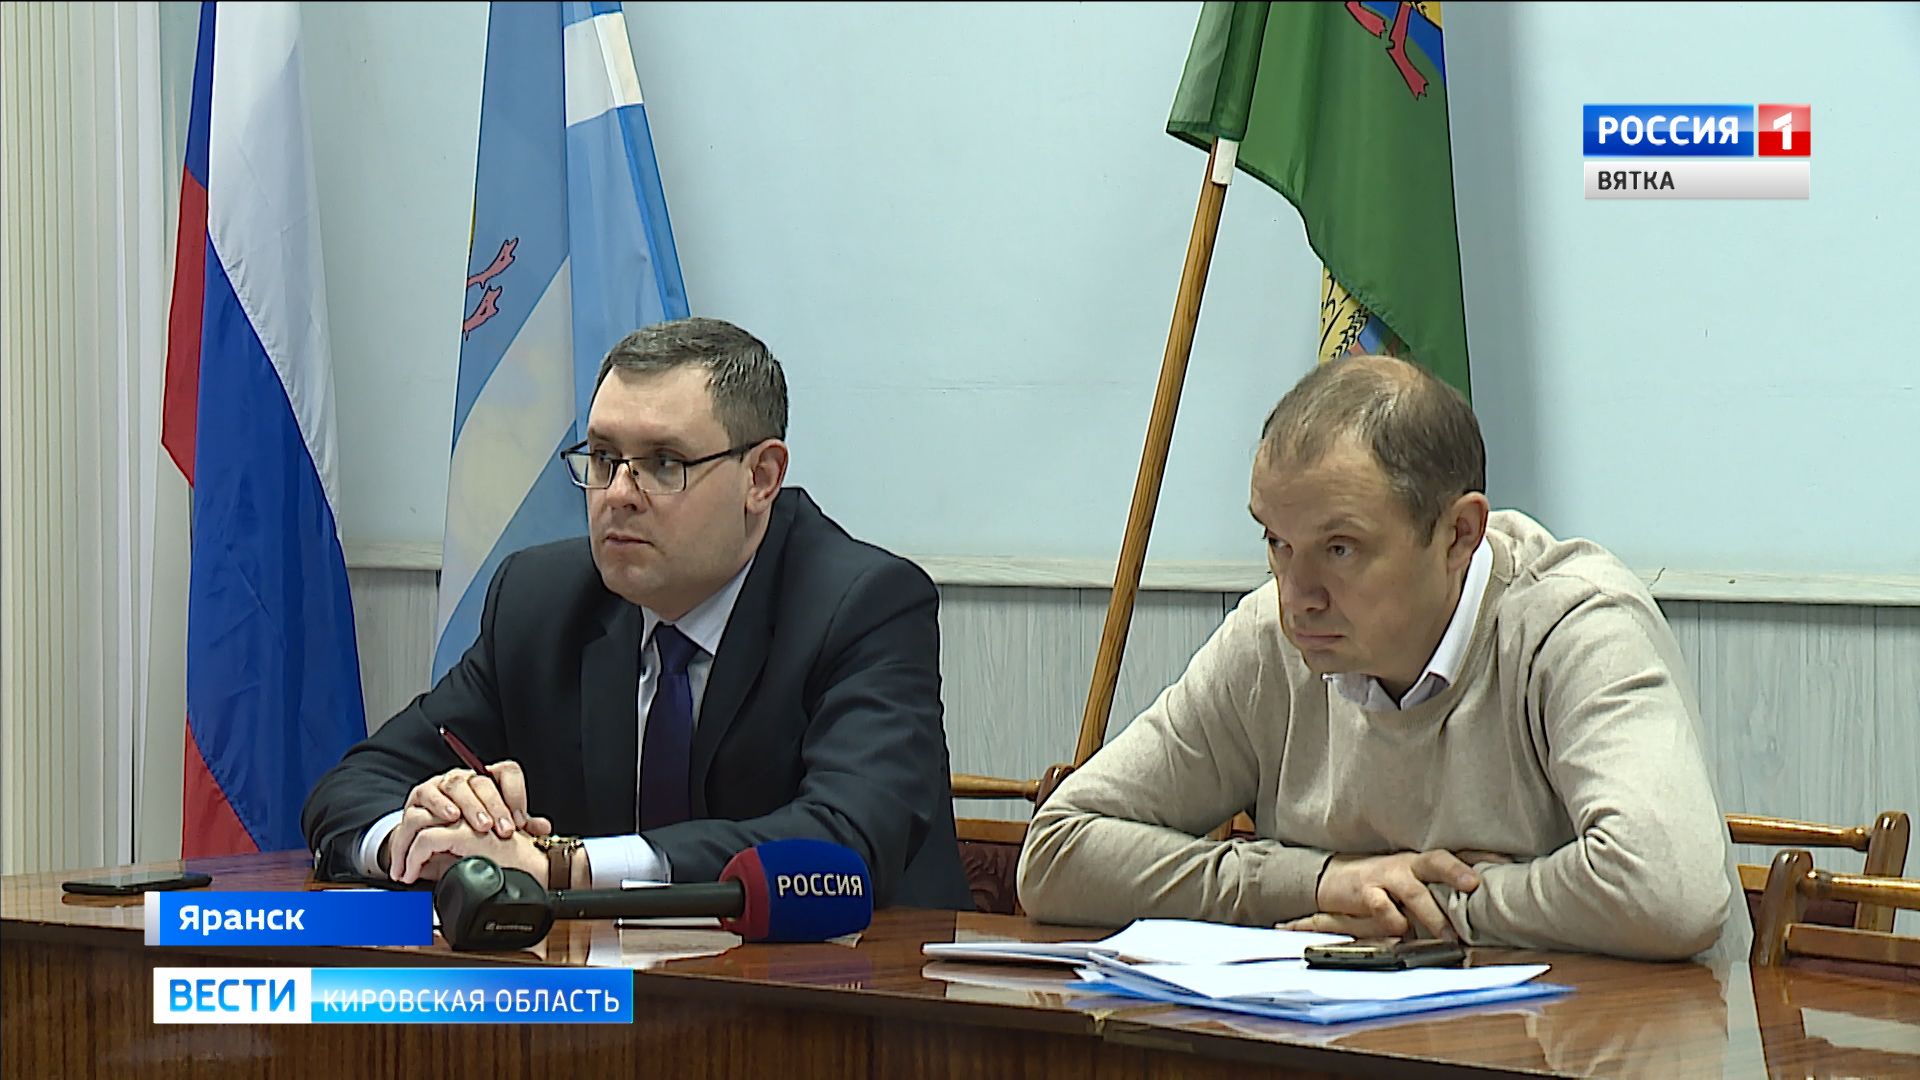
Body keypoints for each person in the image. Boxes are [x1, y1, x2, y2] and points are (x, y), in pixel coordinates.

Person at [1017, 354, 1737, 960]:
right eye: (1277, 543)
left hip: (1609, 1046)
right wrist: (1322, 881)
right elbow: (1056, 854)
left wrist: (1437, 908)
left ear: (1459, 535)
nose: (1297, 597)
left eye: (1340, 549)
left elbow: (1668, 891)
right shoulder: (1272, 642)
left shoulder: (1575, 625)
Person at [303, 317, 972, 909]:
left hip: (854, 993)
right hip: (601, 994)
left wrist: (563, 866)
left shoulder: (862, 606)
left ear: (761, 478)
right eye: (603, 458)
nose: (618, 494)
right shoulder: (542, 601)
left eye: (664, 462)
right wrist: (422, 837)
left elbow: (847, 837)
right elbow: (352, 786)